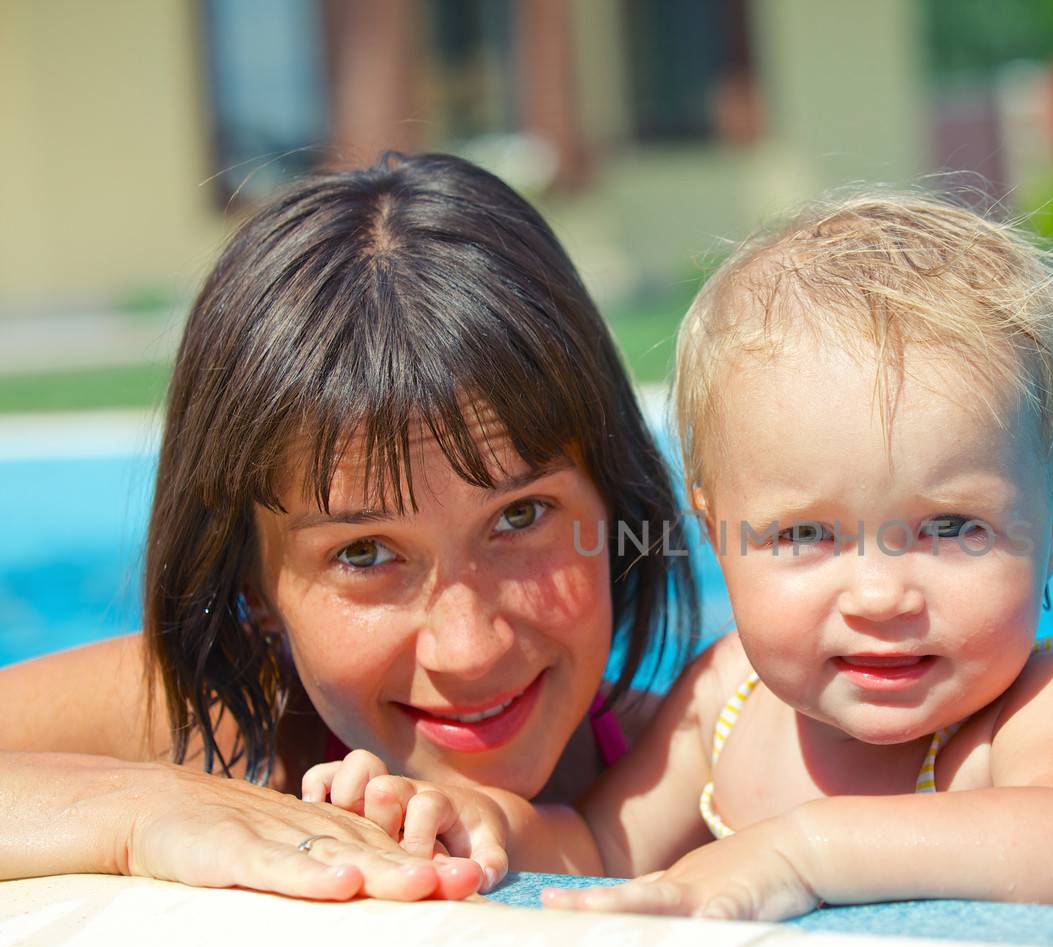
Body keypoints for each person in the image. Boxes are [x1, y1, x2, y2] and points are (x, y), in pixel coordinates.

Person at [313, 189, 1053, 918]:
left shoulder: (1050, 703)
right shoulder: (723, 704)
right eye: (806, 535)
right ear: (718, 534)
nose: (882, 594)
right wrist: (478, 821)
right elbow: (595, 849)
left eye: (951, 527)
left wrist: (799, 852)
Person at [0, 152, 695, 901]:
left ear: (616, 503)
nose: (467, 649)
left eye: (519, 516)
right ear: (251, 584)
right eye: (364, 553)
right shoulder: (229, 733)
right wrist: (141, 805)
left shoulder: (700, 761)